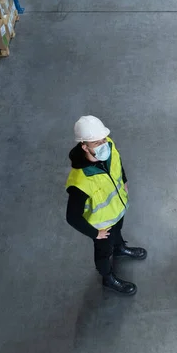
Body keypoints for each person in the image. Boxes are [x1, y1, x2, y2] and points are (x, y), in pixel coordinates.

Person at [66, 116, 147, 296]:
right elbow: (72, 217)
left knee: (118, 232)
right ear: (84, 146)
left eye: (103, 139)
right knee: (103, 253)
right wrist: (96, 233)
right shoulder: (80, 182)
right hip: (101, 226)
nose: (103, 144)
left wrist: (124, 180)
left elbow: (118, 163)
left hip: (117, 209)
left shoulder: (108, 146)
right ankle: (107, 277)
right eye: (96, 143)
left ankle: (119, 249)